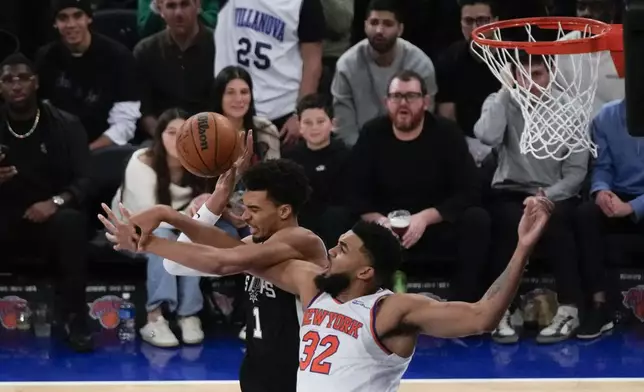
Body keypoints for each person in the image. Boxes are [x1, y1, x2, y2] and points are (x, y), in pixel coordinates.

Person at [101, 158, 554, 392]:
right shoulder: (311, 287)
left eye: (341, 248)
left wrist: (522, 247)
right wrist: (154, 233)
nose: (330, 250)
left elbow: (481, 317)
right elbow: (231, 251)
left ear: (365, 269)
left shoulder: (391, 309)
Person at [100, 157, 328, 392]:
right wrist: (175, 213)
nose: (244, 216)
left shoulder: (303, 241)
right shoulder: (255, 246)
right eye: (244, 207)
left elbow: (222, 262)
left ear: (284, 211)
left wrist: (148, 242)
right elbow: (175, 266)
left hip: (297, 374)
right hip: (258, 369)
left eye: (255, 209)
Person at [474, 53, 588, 344]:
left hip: (555, 193)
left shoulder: (571, 109)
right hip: (510, 191)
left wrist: (544, 197)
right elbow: (486, 136)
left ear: (550, 73)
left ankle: (569, 310)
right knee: (505, 221)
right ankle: (501, 310)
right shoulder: (499, 100)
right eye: (523, 76)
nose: (530, 84)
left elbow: (576, 174)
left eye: (537, 75)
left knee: (559, 222)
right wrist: (504, 89)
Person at [348, 69, 490, 301]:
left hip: (435, 224)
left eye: (411, 96)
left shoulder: (446, 133)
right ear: (387, 102)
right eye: (396, 96)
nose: (403, 103)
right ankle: (363, 303)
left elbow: (470, 189)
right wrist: (381, 221)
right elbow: (354, 192)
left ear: (425, 102)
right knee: (345, 222)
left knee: (477, 219)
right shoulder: (372, 133)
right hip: (386, 228)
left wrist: (425, 218)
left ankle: (465, 303)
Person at [0, 53, 93, 351]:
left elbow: (85, 181)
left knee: (71, 222)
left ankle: (75, 319)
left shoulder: (65, 125)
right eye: (8, 79)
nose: (16, 85)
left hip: (50, 219)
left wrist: (54, 202)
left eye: (22, 78)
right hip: (4, 218)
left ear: (36, 82)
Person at [111, 108, 216, 348]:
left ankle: (188, 314)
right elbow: (147, 218)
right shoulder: (140, 162)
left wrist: (202, 206)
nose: (178, 140)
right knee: (161, 235)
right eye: (171, 133)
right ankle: (154, 317)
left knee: (189, 235)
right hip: (131, 233)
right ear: (160, 135)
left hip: (176, 230)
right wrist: (189, 218)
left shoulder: (200, 165)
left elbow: (202, 213)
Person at [213, 0, 326, 145]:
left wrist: (300, 114)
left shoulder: (305, 4)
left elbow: (313, 64)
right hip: (233, 106)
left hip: (282, 110)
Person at [36, 0, 141, 150]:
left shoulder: (119, 57)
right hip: (61, 146)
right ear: (55, 23)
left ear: (89, 18)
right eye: (63, 18)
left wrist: (89, 150)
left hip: (105, 146)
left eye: (77, 16)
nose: (71, 24)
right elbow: (40, 113)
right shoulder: (45, 57)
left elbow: (125, 123)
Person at [332, 0, 438, 147]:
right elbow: (345, 128)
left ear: (400, 29)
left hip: (409, 150)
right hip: (360, 152)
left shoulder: (420, 65)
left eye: (388, 24)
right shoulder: (346, 66)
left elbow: (424, 120)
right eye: (374, 23)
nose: (379, 30)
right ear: (365, 26)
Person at [574, 98, 639, 340]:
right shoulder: (606, 116)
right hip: (617, 193)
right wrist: (601, 190)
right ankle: (599, 306)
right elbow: (602, 165)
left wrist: (632, 207)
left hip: (637, 201)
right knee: (585, 214)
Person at [134, 0, 216, 139]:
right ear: (160, 9)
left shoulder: (219, 44)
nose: (178, 13)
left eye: (184, 4)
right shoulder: (145, 51)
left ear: (197, 5)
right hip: (162, 139)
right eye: (171, 6)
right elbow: (144, 112)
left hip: (212, 135)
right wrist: (167, 139)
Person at [283, 93, 353, 248]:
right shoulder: (290, 158)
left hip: (338, 227)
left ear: (332, 124)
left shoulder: (346, 155)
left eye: (320, 121)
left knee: (335, 216)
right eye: (308, 122)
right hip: (303, 225)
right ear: (299, 125)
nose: (314, 128)